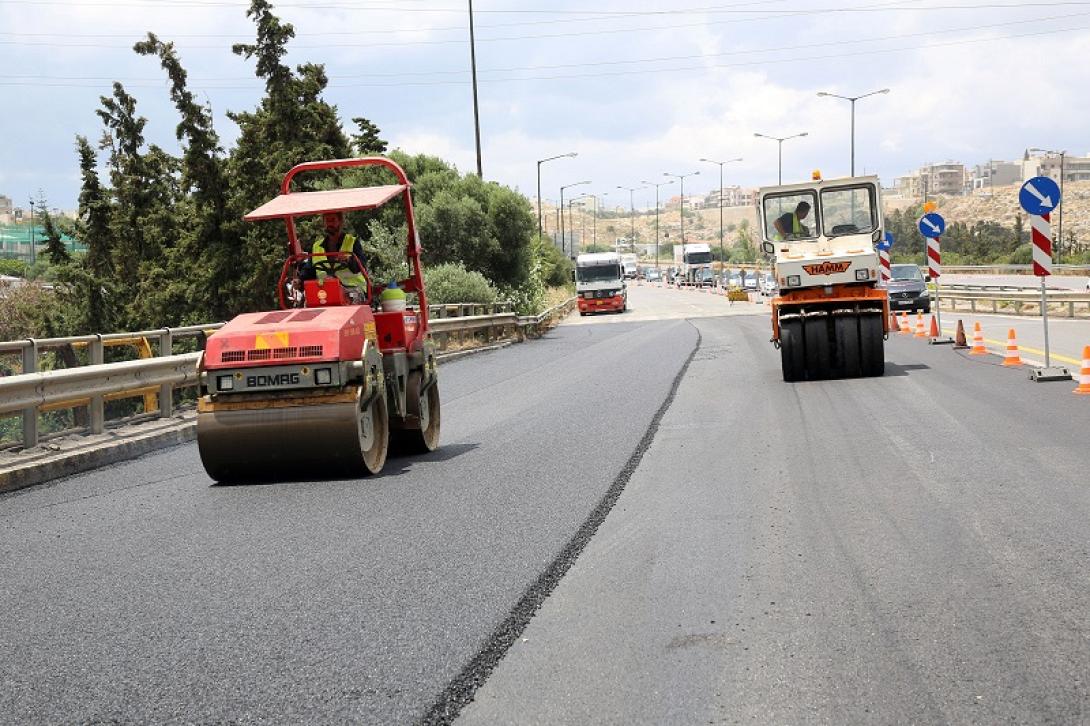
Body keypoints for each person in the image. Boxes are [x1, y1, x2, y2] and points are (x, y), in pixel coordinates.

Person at [300, 211, 368, 296]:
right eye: (327, 220)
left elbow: (361, 266)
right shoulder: (316, 246)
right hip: (326, 291)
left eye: (333, 220)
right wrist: (299, 281)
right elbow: (308, 271)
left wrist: (349, 259)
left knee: (344, 297)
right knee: (309, 301)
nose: (330, 223)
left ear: (340, 221)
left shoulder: (352, 242)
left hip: (353, 290)